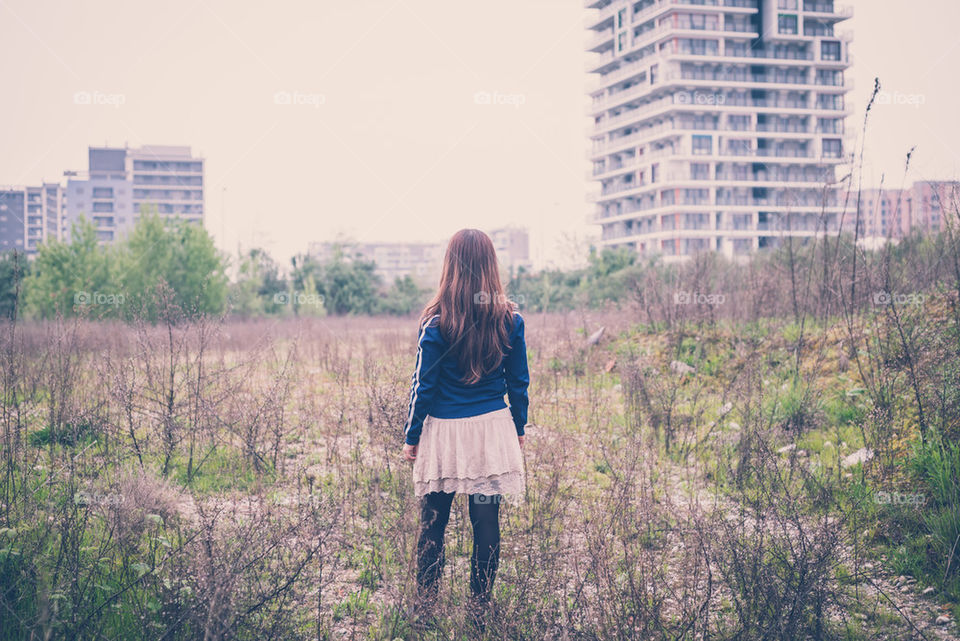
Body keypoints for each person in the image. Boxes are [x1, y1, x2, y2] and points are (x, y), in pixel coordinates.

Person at [402, 228, 529, 629]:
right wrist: (519, 427)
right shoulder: (510, 319)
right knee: (486, 522)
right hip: (491, 430)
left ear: (450, 266)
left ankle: (424, 609)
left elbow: (424, 384)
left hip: (444, 431)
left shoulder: (437, 323)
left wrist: (412, 435)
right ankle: (478, 612)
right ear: (492, 266)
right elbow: (519, 382)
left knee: (432, 523)